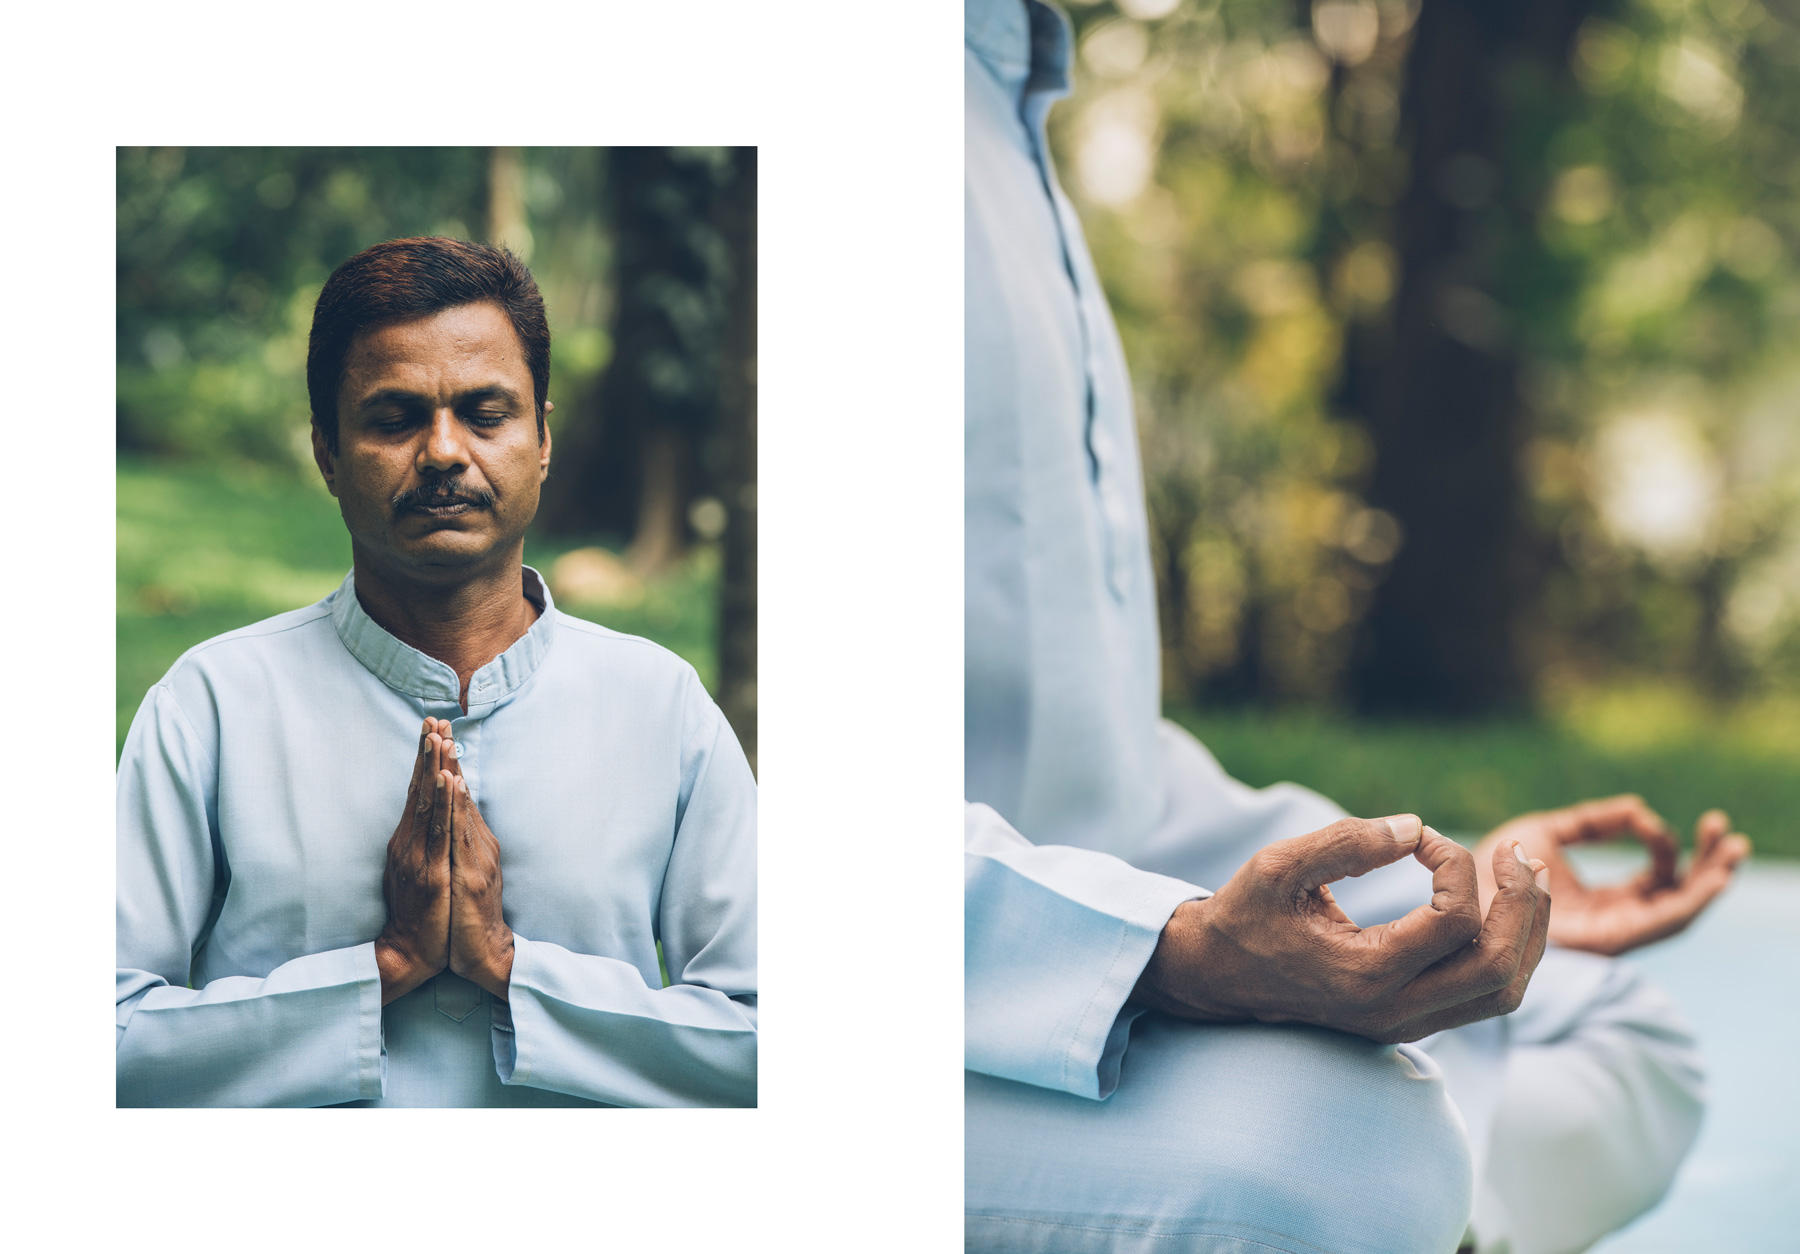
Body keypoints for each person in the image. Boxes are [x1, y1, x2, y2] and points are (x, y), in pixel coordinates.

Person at [962, 2, 1749, 1250]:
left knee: (1622, 1032)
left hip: (1079, 931)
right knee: (1348, 1161)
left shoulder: (1003, 97)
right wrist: (1170, 953)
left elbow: (1077, 759)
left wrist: (1435, 889)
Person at [116, 237, 757, 1107]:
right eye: (394, 418)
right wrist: (381, 972)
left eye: (487, 413)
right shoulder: (215, 705)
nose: (445, 451)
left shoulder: (659, 707)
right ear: (328, 454)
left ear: (542, 441)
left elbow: (762, 1044)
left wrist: (508, 967)